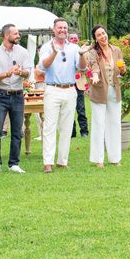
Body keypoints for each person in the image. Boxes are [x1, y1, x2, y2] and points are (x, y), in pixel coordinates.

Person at [37, 18, 81, 173]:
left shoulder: (74, 47)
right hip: (53, 89)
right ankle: (48, 162)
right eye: (60, 28)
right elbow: (43, 66)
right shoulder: (46, 47)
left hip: (70, 89)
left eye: (65, 28)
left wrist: (82, 54)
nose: (63, 30)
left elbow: (81, 67)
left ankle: (62, 161)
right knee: (49, 126)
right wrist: (54, 52)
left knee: (67, 127)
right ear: (53, 30)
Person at [0, 23, 30, 174]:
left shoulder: (23, 52)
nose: (18, 36)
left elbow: (28, 73)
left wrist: (20, 72)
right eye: (15, 33)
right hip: (1, 95)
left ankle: (14, 163)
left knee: (17, 131)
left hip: (18, 94)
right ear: (6, 36)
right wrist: (7, 73)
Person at [83, 25, 125, 167]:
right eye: (99, 35)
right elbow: (94, 66)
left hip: (114, 90)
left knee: (114, 124)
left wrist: (123, 69)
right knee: (98, 124)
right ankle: (98, 159)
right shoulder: (94, 52)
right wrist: (94, 75)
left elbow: (121, 70)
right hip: (99, 91)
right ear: (95, 38)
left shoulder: (116, 50)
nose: (103, 36)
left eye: (104, 33)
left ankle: (115, 159)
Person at [68, 32, 89, 138]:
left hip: (79, 83)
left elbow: (87, 66)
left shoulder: (82, 51)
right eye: (71, 38)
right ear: (68, 39)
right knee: (69, 110)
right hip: (68, 84)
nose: (74, 39)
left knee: (81, 109)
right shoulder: (65, 51)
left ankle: (84, 131)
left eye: (75, 38)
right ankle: (72, 132)